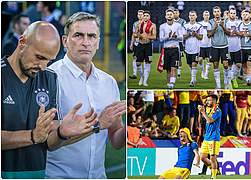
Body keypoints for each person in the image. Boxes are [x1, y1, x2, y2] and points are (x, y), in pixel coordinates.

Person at [1, 21, 97, 179]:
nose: (43, 66)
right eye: (39, 57)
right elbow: (37, 136)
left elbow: (48, 143)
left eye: (49, 60)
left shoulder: (50, 78)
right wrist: (32, 136)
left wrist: (61, 133)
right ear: (22, 42)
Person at [46, 12, 126, 178]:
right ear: (65, 41)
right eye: (78, 35)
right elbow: (46, 139)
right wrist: (97, 125)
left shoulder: (109, 82)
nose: (86, 42)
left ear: (98, 42)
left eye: (91, 36)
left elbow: (116, 140)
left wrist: (131, 128)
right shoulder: (49, 77)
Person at [199, 94, 222, 179]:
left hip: (214, 137)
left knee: (212, 158)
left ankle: (213, 176)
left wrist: (203, 112)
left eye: (209, 100)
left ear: (215, 101)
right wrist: (200, 112)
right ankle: (215, 170)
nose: (207, 102)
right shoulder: (208, 109)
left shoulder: (217, 110)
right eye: (207, 100)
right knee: (203, 158)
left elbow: (210, 120)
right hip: (206, 137)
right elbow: (201, 121)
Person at [159, 8, 183, 89]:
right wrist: (168, 36)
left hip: (175, 49)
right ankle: (169, 83)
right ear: (165, 16)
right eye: (168, 14)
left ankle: (172, 84)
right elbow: (161, 39)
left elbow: (181, 38)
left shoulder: (178, 25)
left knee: (173, 67)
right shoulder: (162, 26)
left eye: (171, 14)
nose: (169, 16)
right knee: (168, 69)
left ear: (174, 15)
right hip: (166, 49)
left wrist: (175, 37)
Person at [208, 6, 230, 89]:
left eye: (218, 11)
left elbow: (229, 33)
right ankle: (218, 85)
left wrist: (223, 26)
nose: (217, 13)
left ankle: (226, 83)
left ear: (220, 12)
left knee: (225, 65)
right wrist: (215, 27)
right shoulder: (210, 22)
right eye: (215, 11)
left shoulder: (225, 21)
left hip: (224, 46)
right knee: (215, 65)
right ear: (213, 13)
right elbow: (209, 35)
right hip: (214, 47)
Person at [134, 10, 156, 87]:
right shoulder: (139, 24)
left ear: (149, 17)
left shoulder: (153, 25)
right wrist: (138, 36)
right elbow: (135, 34)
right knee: (138, 63)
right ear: (142, 16)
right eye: (144, 15)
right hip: (140, 45)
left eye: (147, 16)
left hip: (148, 46)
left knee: (148, 63)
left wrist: (147, 36)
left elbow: (154, 37)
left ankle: (145, 81)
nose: (145, 17)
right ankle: (142, 77)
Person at [183, 10, 203, 87]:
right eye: (190, 15)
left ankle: (192, 81)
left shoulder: (199, 26)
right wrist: (189, 34)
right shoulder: (185, 26)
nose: (192, 17)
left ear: (196, 16)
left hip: (196, 48)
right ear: (189, 16)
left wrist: (196, 34)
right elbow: (183, 36)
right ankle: (194, 78)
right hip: (187, 48)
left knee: (194, 64)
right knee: (189, 64)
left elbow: (201, 37)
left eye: (193, 15)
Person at [238, 10, 251, 86]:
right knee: (243, 65)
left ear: (249, 15)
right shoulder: (239, 25)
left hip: (250, 48)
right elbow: (237, 35)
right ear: (241, 15)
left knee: (249, 64)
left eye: (246, 14)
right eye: (244, 14)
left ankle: (249, 79)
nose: (245, 15)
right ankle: (247, 78)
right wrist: (239, 34)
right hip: (241, 48)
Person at [225, 8, 241, 88]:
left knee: (238, 65)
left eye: (234, 13)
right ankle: (231, 81)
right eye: (231, 13)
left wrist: (235, 32)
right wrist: (234, 33)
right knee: (229, 65)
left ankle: (233, 77)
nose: (232, 14)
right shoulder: (226, 23)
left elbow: (241, 33)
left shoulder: (239, 22)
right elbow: (228, 33)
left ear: (236, 14)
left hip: (237, 47)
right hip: (228, 47)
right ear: (229, 14)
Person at [129, 10, 144, 79]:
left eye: (141, 14)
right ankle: (134, 74)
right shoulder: (135, 24)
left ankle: (142, 75)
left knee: (142, 60)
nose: (139, 16)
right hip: (137, 43)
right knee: (135, 58)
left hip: (144, 44)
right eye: (138, 14)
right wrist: (131, 43)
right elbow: (133, 34)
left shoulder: (147, 24)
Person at [198, 10, 212, 80]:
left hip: (209, 45)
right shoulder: (199, 24)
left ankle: (206, 73)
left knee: (209, 60)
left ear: (209, 16)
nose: (206, 16)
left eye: (207, 15)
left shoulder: (211, 24)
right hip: (201, 45)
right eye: (205, 15)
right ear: (203, 16)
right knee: (200, 60)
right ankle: (203, 71)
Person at [173, 8, 186, 78]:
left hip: (180, 42)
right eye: (174, 13)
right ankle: (174, 71)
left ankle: (179, 72)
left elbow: (184, 32)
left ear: (179, 14)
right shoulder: (170, 21)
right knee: (173, 57)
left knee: (179, 57)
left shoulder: (183, 21)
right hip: (172, 42)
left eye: (176, 13)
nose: (175, 14)